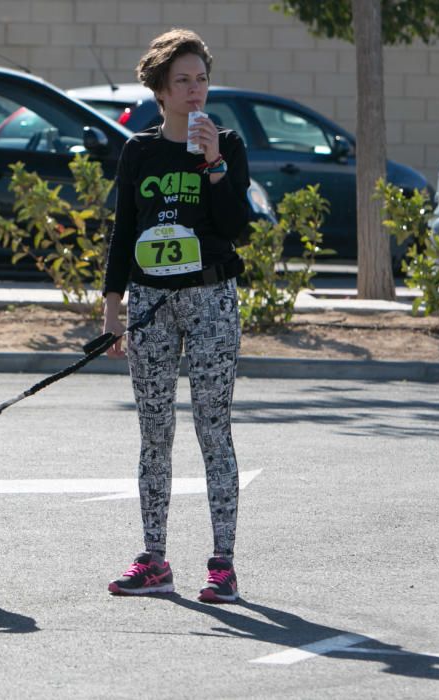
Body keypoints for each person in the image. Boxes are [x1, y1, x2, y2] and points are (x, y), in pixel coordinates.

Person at [103, 28, 251, 603]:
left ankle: (223, 563)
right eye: (183, 81)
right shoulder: (139, 151)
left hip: (211, 298)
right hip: (150, 304)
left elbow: (236, 225)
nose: (195, 92)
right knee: (154, 433)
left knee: (213, 428)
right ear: (160, 91)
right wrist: (113, 309)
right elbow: (123, 236)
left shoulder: (227, 144)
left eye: (202, 80)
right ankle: (154, 558)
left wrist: (212, 162)